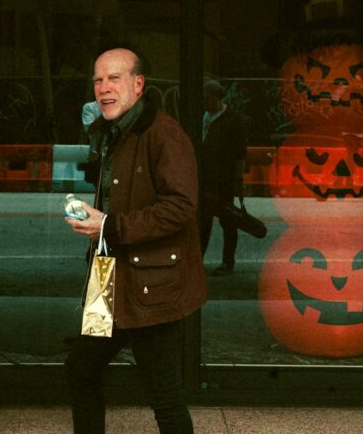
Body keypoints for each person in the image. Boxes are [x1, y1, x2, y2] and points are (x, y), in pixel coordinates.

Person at [64, 46, 206, 434]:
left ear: (138, 84)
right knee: (81, 368)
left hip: (151, 283)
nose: (103, 87)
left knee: (164, 395)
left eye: (114, 78)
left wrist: (108, 226)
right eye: (97, 79)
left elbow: (181, 207)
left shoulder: (163, 134)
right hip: (107, 277)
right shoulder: (113, 131)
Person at [198, 78, 247, 276]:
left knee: (227, 219)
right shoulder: (204, 116)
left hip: (223, 177)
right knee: (203, 220)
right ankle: (199, 259)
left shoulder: (233, 119)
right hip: (205, 176)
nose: (204, 102)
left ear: (217, 97)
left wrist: (239, 180)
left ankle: (228, 262)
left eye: (207, 98)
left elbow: (240, 153)